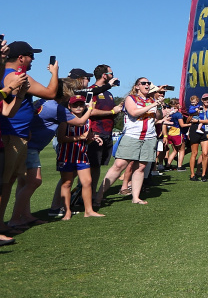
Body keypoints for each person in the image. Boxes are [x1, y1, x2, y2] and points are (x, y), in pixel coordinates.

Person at [1, 41, 59, 237]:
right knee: (5, 182)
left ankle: (12, 219)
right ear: (20, 58)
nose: (32, 59)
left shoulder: (6, 74)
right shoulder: (17, 75)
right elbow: (51, 93)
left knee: (11, 181)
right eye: (30, 56)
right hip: (13, 134)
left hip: (18, 133)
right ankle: (3, 224)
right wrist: (54, 73)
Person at [95, 78, 165, 206]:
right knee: (119, 165)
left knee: (141, 167)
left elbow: (158, 117)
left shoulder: (151, 100)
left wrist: (159, 106)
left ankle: (136, 197)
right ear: (137, 86)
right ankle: (99, 195)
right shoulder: (131, 98)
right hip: (132, 136)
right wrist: (154, 105)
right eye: (144, 83)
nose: (147, 85)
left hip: (149, 137)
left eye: (148, 83)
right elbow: (133, 112)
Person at [56, 95, 104, 220]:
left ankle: (89, 210)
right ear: (69, 106)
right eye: (75, 105)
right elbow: (61, 138)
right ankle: (67, 211)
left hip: (81, 155)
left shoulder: (88, 121)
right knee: (67, 183)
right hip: (66, 156)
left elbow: (86, 140)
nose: (78, 107)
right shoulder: (65, 119)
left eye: (81, 105)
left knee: (87, 182)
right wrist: (80, 137)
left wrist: (91, 139)